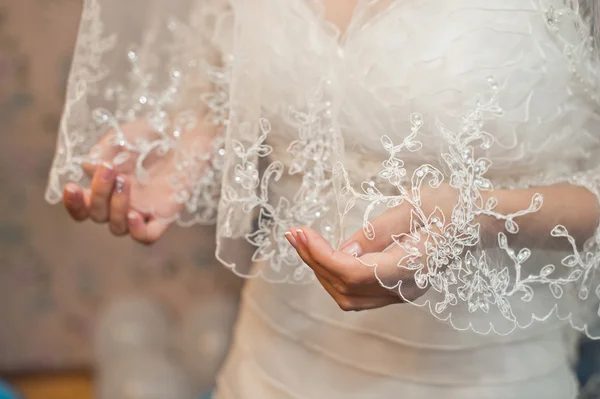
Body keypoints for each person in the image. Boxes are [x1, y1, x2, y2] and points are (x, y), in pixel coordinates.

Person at [46, 0, 600, 397]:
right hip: (271, 355)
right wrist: (182, 146)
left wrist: (476, 216)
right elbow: (227, 76)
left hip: (477, 372)